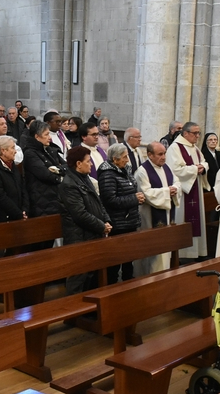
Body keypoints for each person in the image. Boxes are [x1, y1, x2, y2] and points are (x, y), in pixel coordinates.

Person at [59, 147, 112, 294]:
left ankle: (89, 307)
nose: (91, 164)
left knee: (91, 277)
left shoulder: (84, 178)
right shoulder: (69, 184)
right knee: (78, 278)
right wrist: (101, 226)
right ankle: (73, 307)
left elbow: (98, 202)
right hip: (79, 237)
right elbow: (79, 214)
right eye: (88, 161)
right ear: (78, 164)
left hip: (91, 234)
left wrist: (106, 220)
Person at [98, 143, 144, 283]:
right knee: (116, 259)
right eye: (124, 157)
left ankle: (128, 282)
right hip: (118, 223)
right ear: (115, 159)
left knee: (129, 258)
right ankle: (113, 286)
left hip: (130, 220)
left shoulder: (125, 170)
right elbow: (110, 200)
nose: (127, 159)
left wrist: (136, 197)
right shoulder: (107, 174)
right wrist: (134, 199)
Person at [135, 142, 181, 275]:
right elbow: (146, 193)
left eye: (164, 153)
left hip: (167, 214)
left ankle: (166, 275)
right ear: (150, 155)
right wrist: (167, 191)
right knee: (153, 254)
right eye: (160, 154)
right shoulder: (142, 171)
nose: (164, 157)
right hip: (150, 217)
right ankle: (150, 279)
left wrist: (175, 188)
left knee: (166, 251)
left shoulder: (167, 167)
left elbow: (177, 182)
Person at [167, 122, 210, 259]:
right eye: (195, 133)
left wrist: (203, 167)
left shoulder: (194, 148)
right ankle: (183, 254)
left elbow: (204, 161)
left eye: (199, 133)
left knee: (197, 221)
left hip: (195, 187)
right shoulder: (175, 148)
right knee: (183, 219)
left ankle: (197, 252)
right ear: (185, 133)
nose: (197, 136)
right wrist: (195, 169)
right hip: (184, 191)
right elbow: (175, 170)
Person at [23, 121, 66, 224]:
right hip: (41, 199)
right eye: (46, 135)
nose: (49, 138)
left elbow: (67, 166)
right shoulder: (30, 153)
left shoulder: (50, 149)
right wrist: (60, 177)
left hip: (55, 197)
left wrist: (57, 169)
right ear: (37, 137)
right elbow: (45, 175)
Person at [0, 135, 29, 224]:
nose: (15, 151)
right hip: (4, 219)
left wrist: (25, 209)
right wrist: (18, 213)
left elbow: (22, 188)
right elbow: (0, 196)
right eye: (12, 148)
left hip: (19, 215)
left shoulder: (12, 166)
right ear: (3, 151)